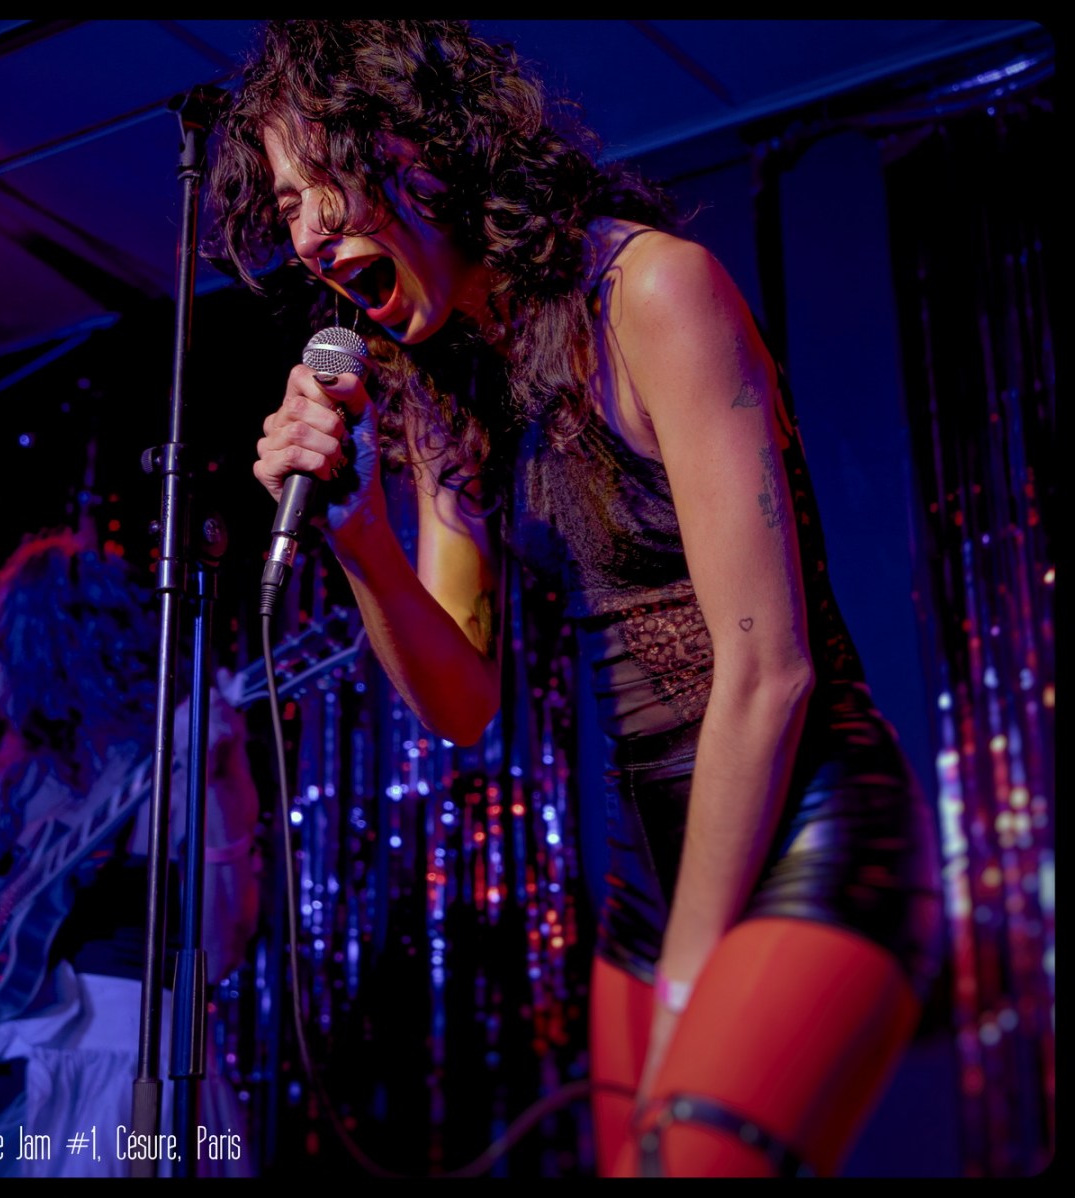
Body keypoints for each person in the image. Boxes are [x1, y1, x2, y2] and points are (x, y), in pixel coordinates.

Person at [210, 19, 943, 1178]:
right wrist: (358, 539)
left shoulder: (650, 291)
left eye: (319, 186)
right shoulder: (437, 390)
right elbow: (462, 703)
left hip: (809, 814)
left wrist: (693, 978)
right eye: (286, 206)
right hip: (646, 868)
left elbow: (769, 670)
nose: (303, 236)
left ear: (416, 143)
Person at [0, 529, 260, 1178]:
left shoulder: (186, 759)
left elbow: (218, 954)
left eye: (2, 660)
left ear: (46, 660)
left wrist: (215, 781)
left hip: (123, 1077)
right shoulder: (24, 778)